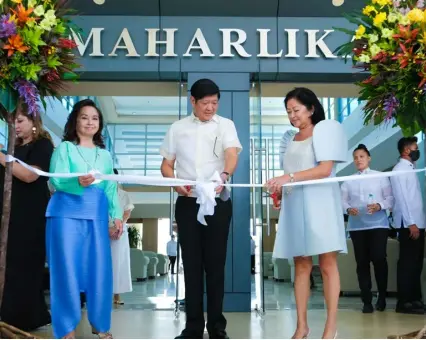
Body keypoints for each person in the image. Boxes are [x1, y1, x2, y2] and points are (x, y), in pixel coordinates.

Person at [160, 78, 242, 339]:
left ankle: (217, 327)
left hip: (217, 201)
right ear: (192, 101)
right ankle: (193, 327)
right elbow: (166, 164)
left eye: (215, 102)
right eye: (205, 103)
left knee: (216, 266)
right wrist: (175, 184)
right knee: (191, 266)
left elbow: (232, 154)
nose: (210, 108)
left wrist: (225, 175)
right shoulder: (177, 128)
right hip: (187, 201)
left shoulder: (226, 125)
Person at [266, 87, 348, 339]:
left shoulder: (324, 133)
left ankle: (330, 326)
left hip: (321, 202)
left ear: (311, 108)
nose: (292, 116)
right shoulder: (289, 139)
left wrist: (287, 177)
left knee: (327, 263)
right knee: (300, 265)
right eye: (289, 111)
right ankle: (301, 326)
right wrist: (279, 192)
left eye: (297, 110)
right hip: (295, 203)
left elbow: (324, 170)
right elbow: (289, 173)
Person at [46, 99, 123, 339]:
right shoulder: (65, 149)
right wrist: (76, 182)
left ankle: (100, 324)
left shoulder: (105, 155)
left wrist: (117, 215)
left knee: (99, 270)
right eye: (84, 117)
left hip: (96, 215)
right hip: (65, 214)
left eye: (95, 118)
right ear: (75, 121)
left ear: (99, 124)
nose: (90, 122)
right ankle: (66, 327)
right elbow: (56, 180)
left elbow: (111, 188)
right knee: (65, 270)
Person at [0, 108, 53, 331]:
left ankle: (25, 317)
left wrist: (1, 157)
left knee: (25, 263)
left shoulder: (42, 145)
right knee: (9, 264)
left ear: (34, 122)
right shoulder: (13, 148)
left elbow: (31, 175)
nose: (16, 126)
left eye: (20, 121)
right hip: (9, 213)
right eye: (13, 122)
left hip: (30, 214)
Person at [341, 144, 394, 313]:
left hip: (378, 225)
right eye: (355, 157)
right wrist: (348, 209)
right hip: (357, 227)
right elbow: (342, 201)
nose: (358, 160)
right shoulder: (348, 181)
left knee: (379, 258)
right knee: (362, 263)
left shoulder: (381, 177)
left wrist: (379, 206)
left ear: (368, 158)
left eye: (361, 156)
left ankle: (382, 296)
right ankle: (366, 301)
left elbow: (390, 199)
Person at [390, 136, 425, 314]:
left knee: (416, 263)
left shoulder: (411, 168)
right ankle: (404, 302)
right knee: (408, 263)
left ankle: (415, 298)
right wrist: (411, 223)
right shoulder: (400, 169)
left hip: (418, 222)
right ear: (406, 150)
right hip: (408, 224)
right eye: (414, 147)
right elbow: (402, 199)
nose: (416, 150)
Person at [111, 168, 134, 305]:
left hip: (119, 232)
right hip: (103, 230)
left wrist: (117, 228)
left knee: (118, 263)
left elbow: (127, 213)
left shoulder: (123, 194)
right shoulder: (100, 193)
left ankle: (117, 295)